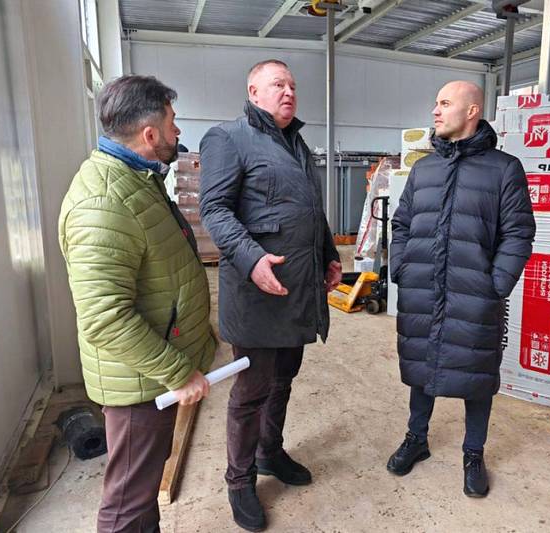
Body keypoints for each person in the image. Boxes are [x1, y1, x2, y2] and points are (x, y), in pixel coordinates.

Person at [59, 75, 217, 533]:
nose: (177, 131)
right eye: (172, 122)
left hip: (148, 374)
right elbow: (105, 317)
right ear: (149, 134)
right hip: (138, 383)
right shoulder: (104, 201)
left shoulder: (135, 179)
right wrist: (178, 372)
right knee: (126, 505)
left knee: (142, 489)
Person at [199, 59, 341, 532]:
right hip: (256, 294)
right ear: (253, 91)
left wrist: (329, 256)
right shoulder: (228, 138)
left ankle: (269, 452)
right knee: (251, 390)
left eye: (293, 85)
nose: (289, 92)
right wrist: (252, 258)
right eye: (278, 84)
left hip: (297, 289)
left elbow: (312, 211)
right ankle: (239, 481)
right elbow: (215, 210)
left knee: (283, 379)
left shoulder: (296, 144)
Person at [387, 80, 536, 497]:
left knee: (477, 373)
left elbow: (519, 232)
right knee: (421, 365)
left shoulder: (504, 169)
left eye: (445, 103)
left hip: (476, 293)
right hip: (421, 287)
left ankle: (473, 452)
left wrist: (496, 283)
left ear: (472, 111)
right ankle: (417, 438)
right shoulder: (424, 169)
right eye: (435, 103)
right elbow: (401, 223)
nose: (435, 111)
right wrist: (401, 267)